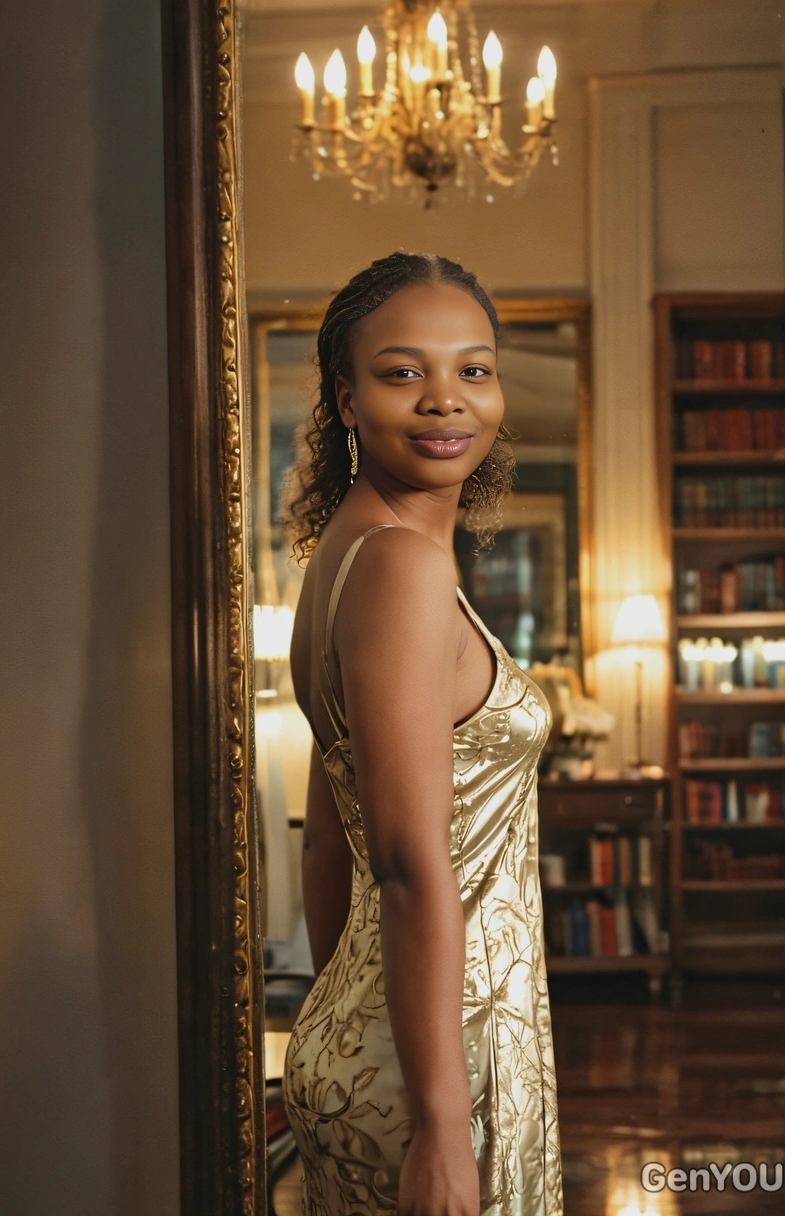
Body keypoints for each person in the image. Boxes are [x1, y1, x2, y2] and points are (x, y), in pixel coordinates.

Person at [281, 251, 563, 1216]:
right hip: (443, 1068)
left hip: (381, 1044)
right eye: (405, 372)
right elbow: (402, 865)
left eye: (473, 369)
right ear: (347, 399)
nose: (447, 400)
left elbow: (327, 837)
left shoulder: (349, 551)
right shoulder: (398, 566)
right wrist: (441, 1127)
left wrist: (348, 1031)